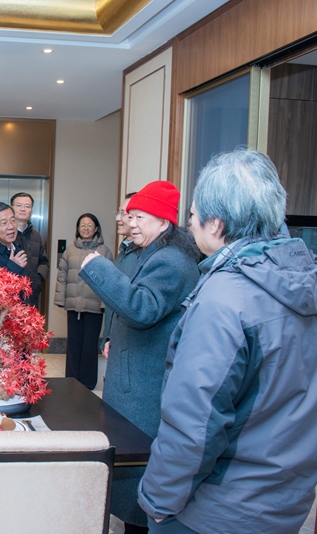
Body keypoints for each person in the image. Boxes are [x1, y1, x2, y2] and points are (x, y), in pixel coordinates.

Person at [138, 150, 317, 534]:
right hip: (286, 505)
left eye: (193, 214)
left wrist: (159, 501)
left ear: (215, 224)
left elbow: (194, 422)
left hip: (213, 512)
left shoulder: (224, 299)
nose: (188, 223)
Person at [79, 181, 200, 533]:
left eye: (140, 217)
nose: (131, 223)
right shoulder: (145, 251)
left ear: (163, 222)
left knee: (139, 468)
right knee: (126, 459)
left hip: (147, 385)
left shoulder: (172, 261)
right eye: (130, 216)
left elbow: (141, 308)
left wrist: (98, 267)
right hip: (131, 376)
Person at [54, 213, 113, 389]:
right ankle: (71, 379)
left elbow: (110, 280)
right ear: (78, 228)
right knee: (73, 343)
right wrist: (61, 299)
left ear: (96, 229)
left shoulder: (104, 251)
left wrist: (104, 304)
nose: (86, 228)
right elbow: (62, 276)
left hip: (94, 307)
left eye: (90, 225)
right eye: (82, 225)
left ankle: (87, 382)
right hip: (73, 306)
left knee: (89, 345)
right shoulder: (69, 251)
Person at [0, 192, 49, 308]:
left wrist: (37, 279)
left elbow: (43, 261)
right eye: (4, 223)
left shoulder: (16, 247)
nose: (11, 227)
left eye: (13, 221)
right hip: (3, 315)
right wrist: (13, 267)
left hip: (25, 307)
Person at [101, 192, 139, 358]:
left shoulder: (143, 256)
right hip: (116, 340)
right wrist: (107, 336)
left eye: (123, 213)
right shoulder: (124, 251)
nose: (118, 218)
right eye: (118, 212)